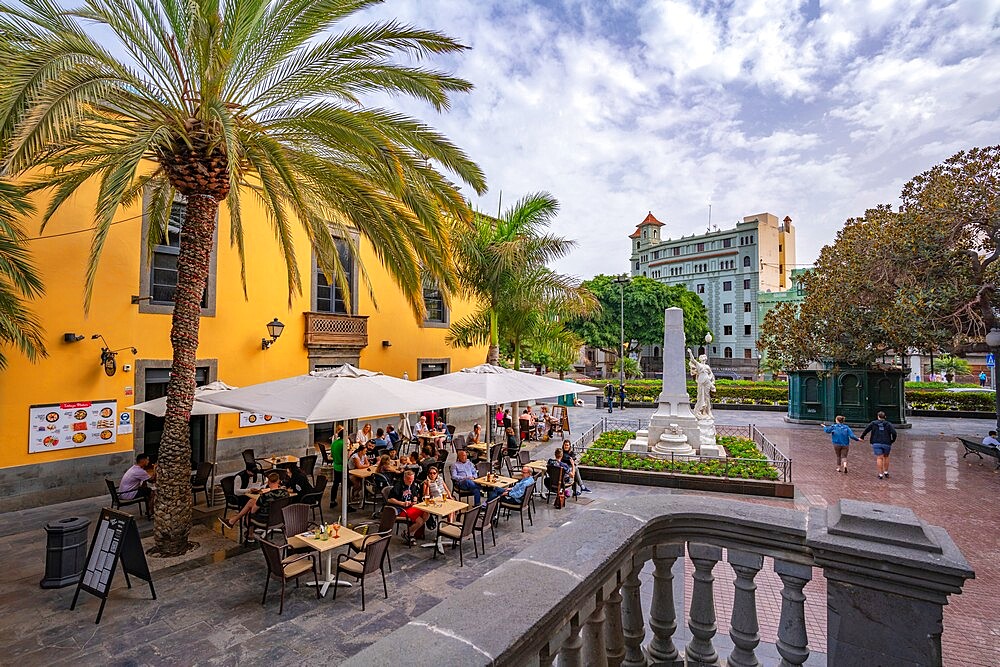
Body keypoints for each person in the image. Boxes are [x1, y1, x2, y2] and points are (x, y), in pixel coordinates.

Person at [220, 472, 289, 538]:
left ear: (268, 482)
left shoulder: (265, 496)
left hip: (266, 519)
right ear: (278, 481)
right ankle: (232, 521)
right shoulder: (285, 493)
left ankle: (250, 535)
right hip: (279, 518)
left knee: (250, 511)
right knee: (252, 501)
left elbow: (253, 511)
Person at [387, 469, 427, 545]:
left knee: (426, 513)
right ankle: (408, 533)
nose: (411, 482)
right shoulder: (398, 485)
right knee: (420, 521)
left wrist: (415, 500)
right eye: (409, 481)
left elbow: (415, 494)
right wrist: (401, 503)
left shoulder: (412, 484)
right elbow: (390, 499)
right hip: (401, 508)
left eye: (412, 480)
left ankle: (410, 533)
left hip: (410, 506)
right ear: (404, 478)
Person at [860, 411, 898, 480]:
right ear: (885, 417)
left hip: (876, 442)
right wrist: (892, 440)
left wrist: (862, 437)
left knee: (879, 458)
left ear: (878, 417)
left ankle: (880, 474)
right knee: (886, 457)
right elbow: (894, 433)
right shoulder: (889, 424)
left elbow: (866, 430)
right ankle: (886, 472)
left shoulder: (873, 423)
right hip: (887, 442)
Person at [119, 453, 155, 518]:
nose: (148, 461)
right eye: (147, 460)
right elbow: (151, 480)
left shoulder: (134, 468)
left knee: (146, 490)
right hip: (128, 494)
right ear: (143, 460)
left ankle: (148, 510)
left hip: (123, 493)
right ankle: (151, 513)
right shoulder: (139, 471)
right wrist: (155, 469)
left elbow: (144, 481)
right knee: (152, 492)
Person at [328, 426, 345, 510]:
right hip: (342, 467)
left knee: (335, 484)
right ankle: (346, 502)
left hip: (335, 465)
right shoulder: (343, 444)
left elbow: (331, 454)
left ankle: (332, 500)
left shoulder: (335, 442)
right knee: (345, 485)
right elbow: (344, 456)